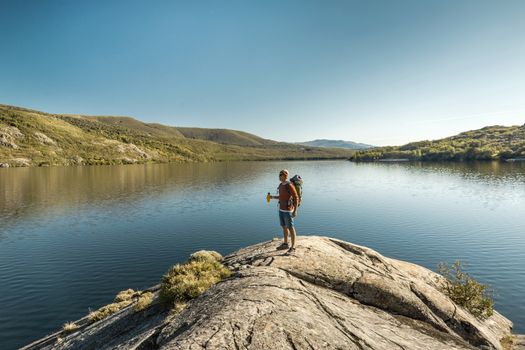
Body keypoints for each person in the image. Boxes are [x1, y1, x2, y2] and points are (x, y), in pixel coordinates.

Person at [270, 169, 300, 254]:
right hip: (281, 209)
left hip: (288, 211)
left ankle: (293, 247)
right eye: (279, 174)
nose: (279, 176)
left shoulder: (289, 185)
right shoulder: (280, 185)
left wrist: (295, 211)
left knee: (290, 228)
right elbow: (281, 197)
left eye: (281, 175)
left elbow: (296, 197)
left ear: (285, 176)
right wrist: (272, 197)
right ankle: (285, 244)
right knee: (284, 227)